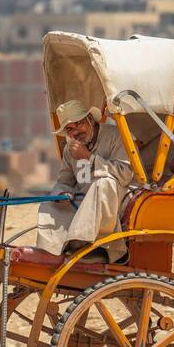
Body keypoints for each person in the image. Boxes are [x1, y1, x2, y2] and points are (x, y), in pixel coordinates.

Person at [36, 100, 132, 263]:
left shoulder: (115, 135)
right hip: (84, 202)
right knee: (50, 201)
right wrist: (63, 192)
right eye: (70, 129)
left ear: (90, 119)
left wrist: (89, 157)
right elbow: (64, 181)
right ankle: (52, 250)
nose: (76, 132)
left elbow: (125, 174)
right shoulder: (70, 149)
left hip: (118, 199)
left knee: (103, 183)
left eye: (79, 124)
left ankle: (101, 248)